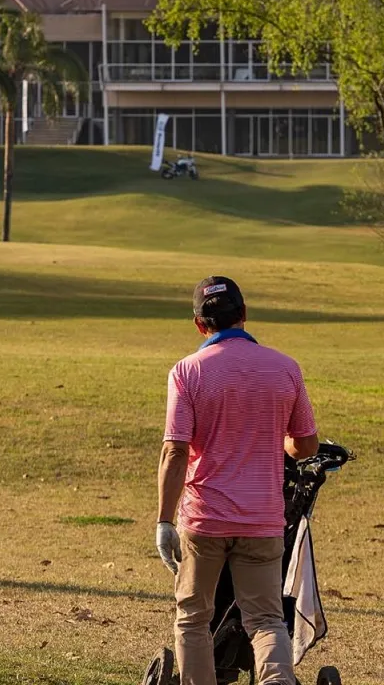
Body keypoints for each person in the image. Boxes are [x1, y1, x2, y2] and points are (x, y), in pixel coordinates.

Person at [156, 276, 320, 685]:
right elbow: (306, 446)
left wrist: (163, 521)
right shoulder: (285, 367)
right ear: (244, 315)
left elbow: (175, 451)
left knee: (193, 618)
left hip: (204, 518)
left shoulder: (187, 372)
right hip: (262, 518)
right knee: (266, 618)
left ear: (199, 324)